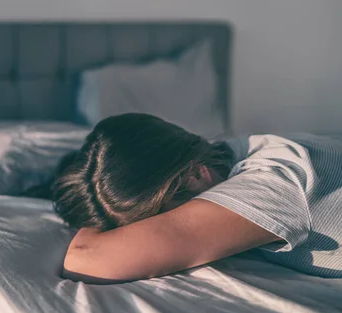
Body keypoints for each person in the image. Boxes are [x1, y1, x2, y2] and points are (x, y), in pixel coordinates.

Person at [51, 113, 342, 282]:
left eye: (158, 218)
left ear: (192, 177)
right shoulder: (234, 151)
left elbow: (86, 259)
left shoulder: (272, 184)